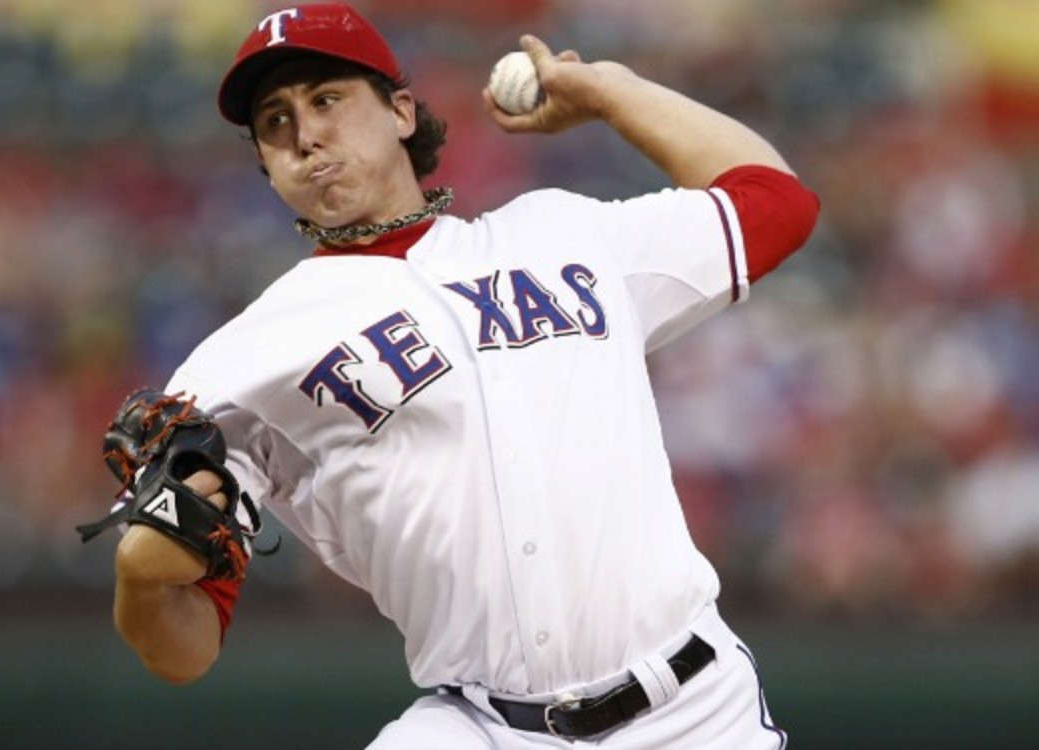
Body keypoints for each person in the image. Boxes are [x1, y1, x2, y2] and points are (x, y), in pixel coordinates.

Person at [105, 3, 819, 747]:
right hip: (481, 726)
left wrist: (611, 92)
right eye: (275, 122)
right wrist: (141, 583)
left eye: (327, 99)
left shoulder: (563, 236)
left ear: (402, 111)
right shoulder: (239, 363)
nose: (305, 133)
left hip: (696, 713)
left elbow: (776, 202)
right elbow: (184, 654)